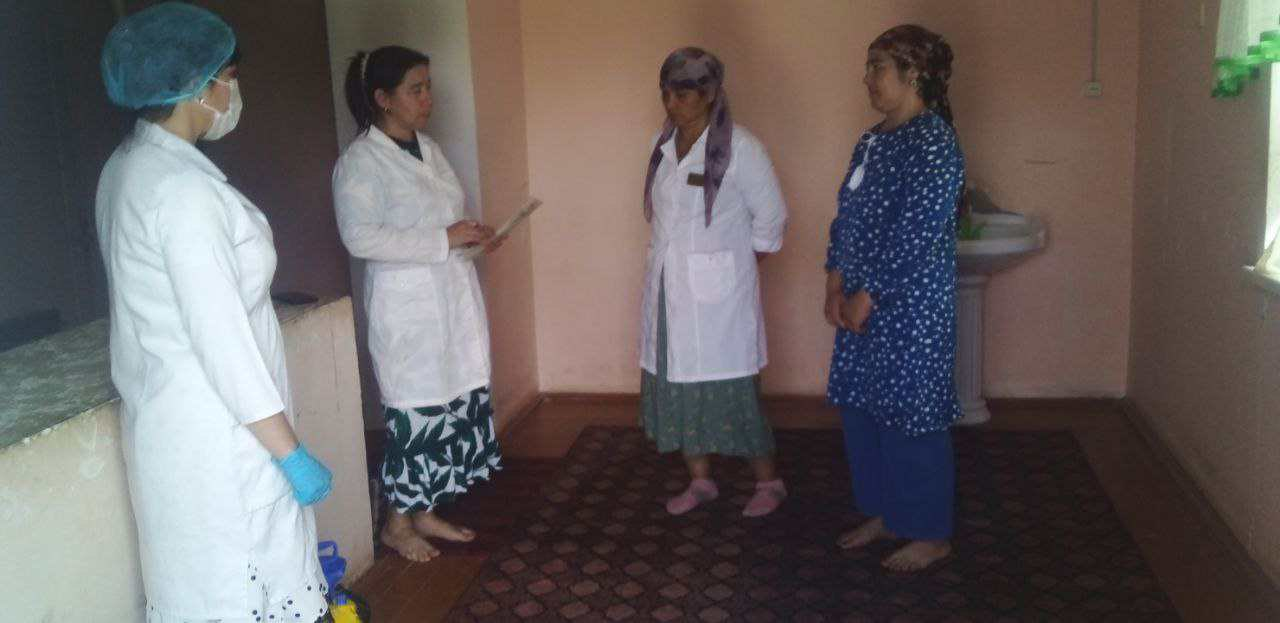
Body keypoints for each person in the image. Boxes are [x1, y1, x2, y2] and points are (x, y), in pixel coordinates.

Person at [96, 3, 333, 621]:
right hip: (224, 438)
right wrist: (289, 453)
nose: (233, 91)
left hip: (176, 427)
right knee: (247, 586)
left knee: (205, 592)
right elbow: (220, 339)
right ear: (197, 87)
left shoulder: (128, 168)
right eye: (229, 77)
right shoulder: (183, 192)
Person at [332, 45, 503, 563]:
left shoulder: (429, 149)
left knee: (450, 410)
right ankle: (396, 524)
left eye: (428, 87)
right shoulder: (360, 162)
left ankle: (425, 512)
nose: (428, 98)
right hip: (407, 310)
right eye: (416, 89)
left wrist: (472, 240)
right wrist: (443, 239)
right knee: (415, 417)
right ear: (383, 98)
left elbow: (446, 223)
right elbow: (360, 237)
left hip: (450, 298)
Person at [824, 24, 965, 572]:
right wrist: (835, 281)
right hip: (860, 302)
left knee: (912, 418)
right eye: (868, 67)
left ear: (914, 74)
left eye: (877, 67)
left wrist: (871, 293)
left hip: (910, 310)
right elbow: (846, 214)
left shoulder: (934, 143)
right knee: (864, 412)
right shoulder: (872, 140)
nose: (867, 78)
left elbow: (917, 232)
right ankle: (887, 514)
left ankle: (929, 533)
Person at [639, 47, 789, 518]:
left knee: (733, 393)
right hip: (668, 291)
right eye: (666, 92)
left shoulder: (741, 147)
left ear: (710, 93)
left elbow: (772, 218)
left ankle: (769, 483)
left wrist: (733, 267)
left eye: (682, 94)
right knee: (678, 387)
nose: (671, 103)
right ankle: (701, 481)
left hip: (719, 300)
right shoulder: (663, 145)